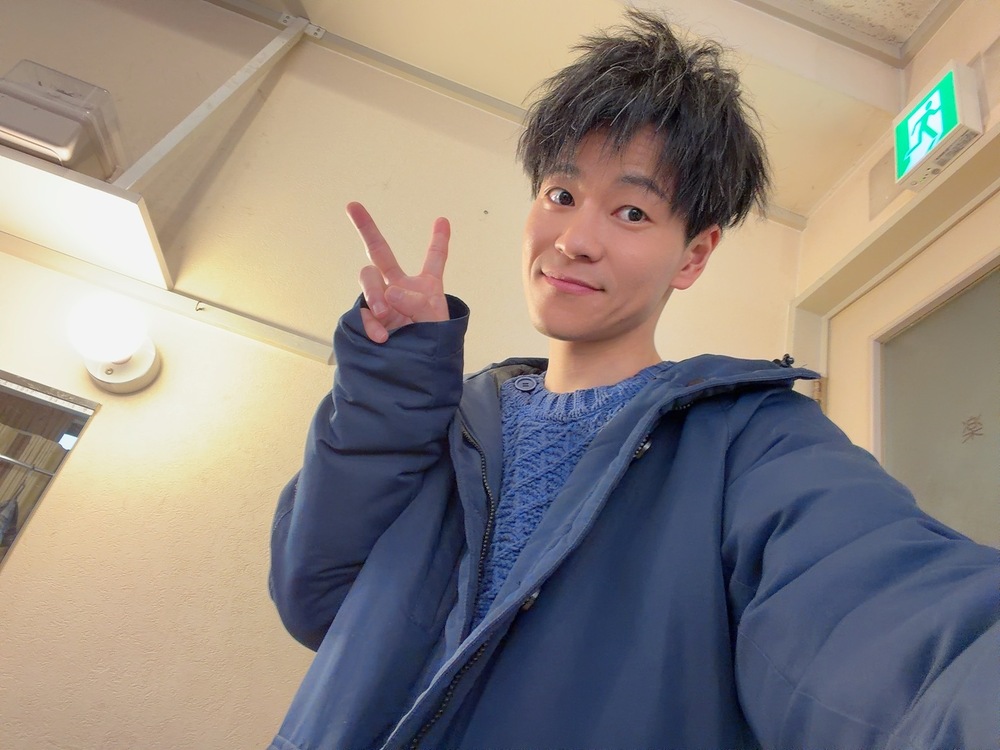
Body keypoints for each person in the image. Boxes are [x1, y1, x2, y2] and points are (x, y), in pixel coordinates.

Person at [268, 10, 999, 750]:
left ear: (693, 255)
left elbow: (893, 627)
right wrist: (394, 385)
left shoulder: (752, 441)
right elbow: (315, 599)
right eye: (561, 194)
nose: (575, 240)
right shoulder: (453, 421)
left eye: (631, 211)